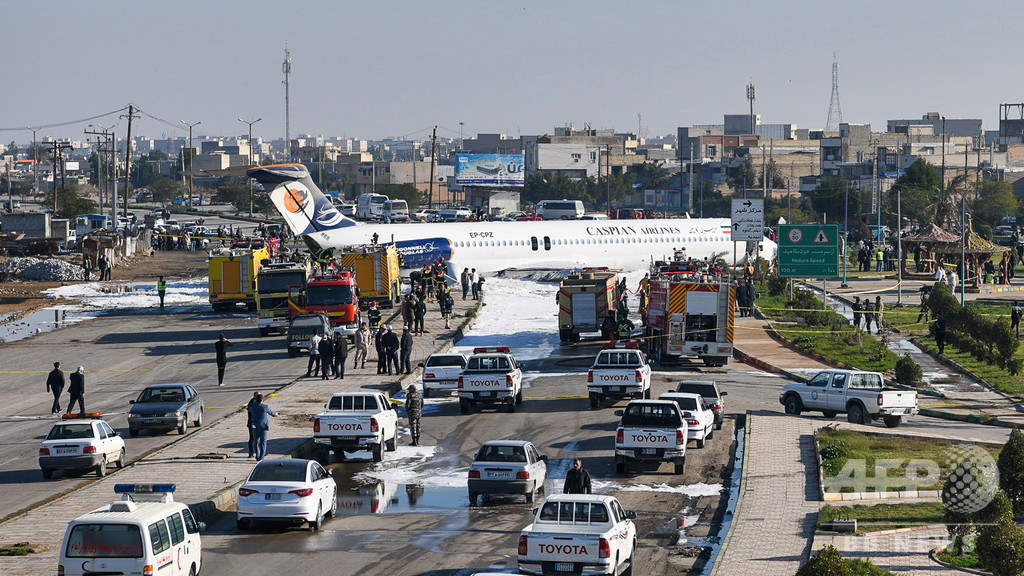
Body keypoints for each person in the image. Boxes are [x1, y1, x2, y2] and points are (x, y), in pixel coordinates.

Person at [247, 393, 278, 461]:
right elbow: (271, 413)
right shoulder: (265, 406)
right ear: (262, 400)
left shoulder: (253, 406)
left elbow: (248, 409)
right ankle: (261, 457)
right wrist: (276, 414)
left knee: (256, 441)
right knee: (263, 442)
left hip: (254, 426)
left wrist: (254, 403)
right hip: (263, 426)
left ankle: (257, 455)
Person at [245, 391, 260, 458]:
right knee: (253, 438)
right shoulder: (253, 403)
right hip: (252, 423)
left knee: (256, 438)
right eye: (258, 396)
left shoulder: (255, 403)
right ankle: (251, 453)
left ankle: (258, 452)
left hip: (256, 422)